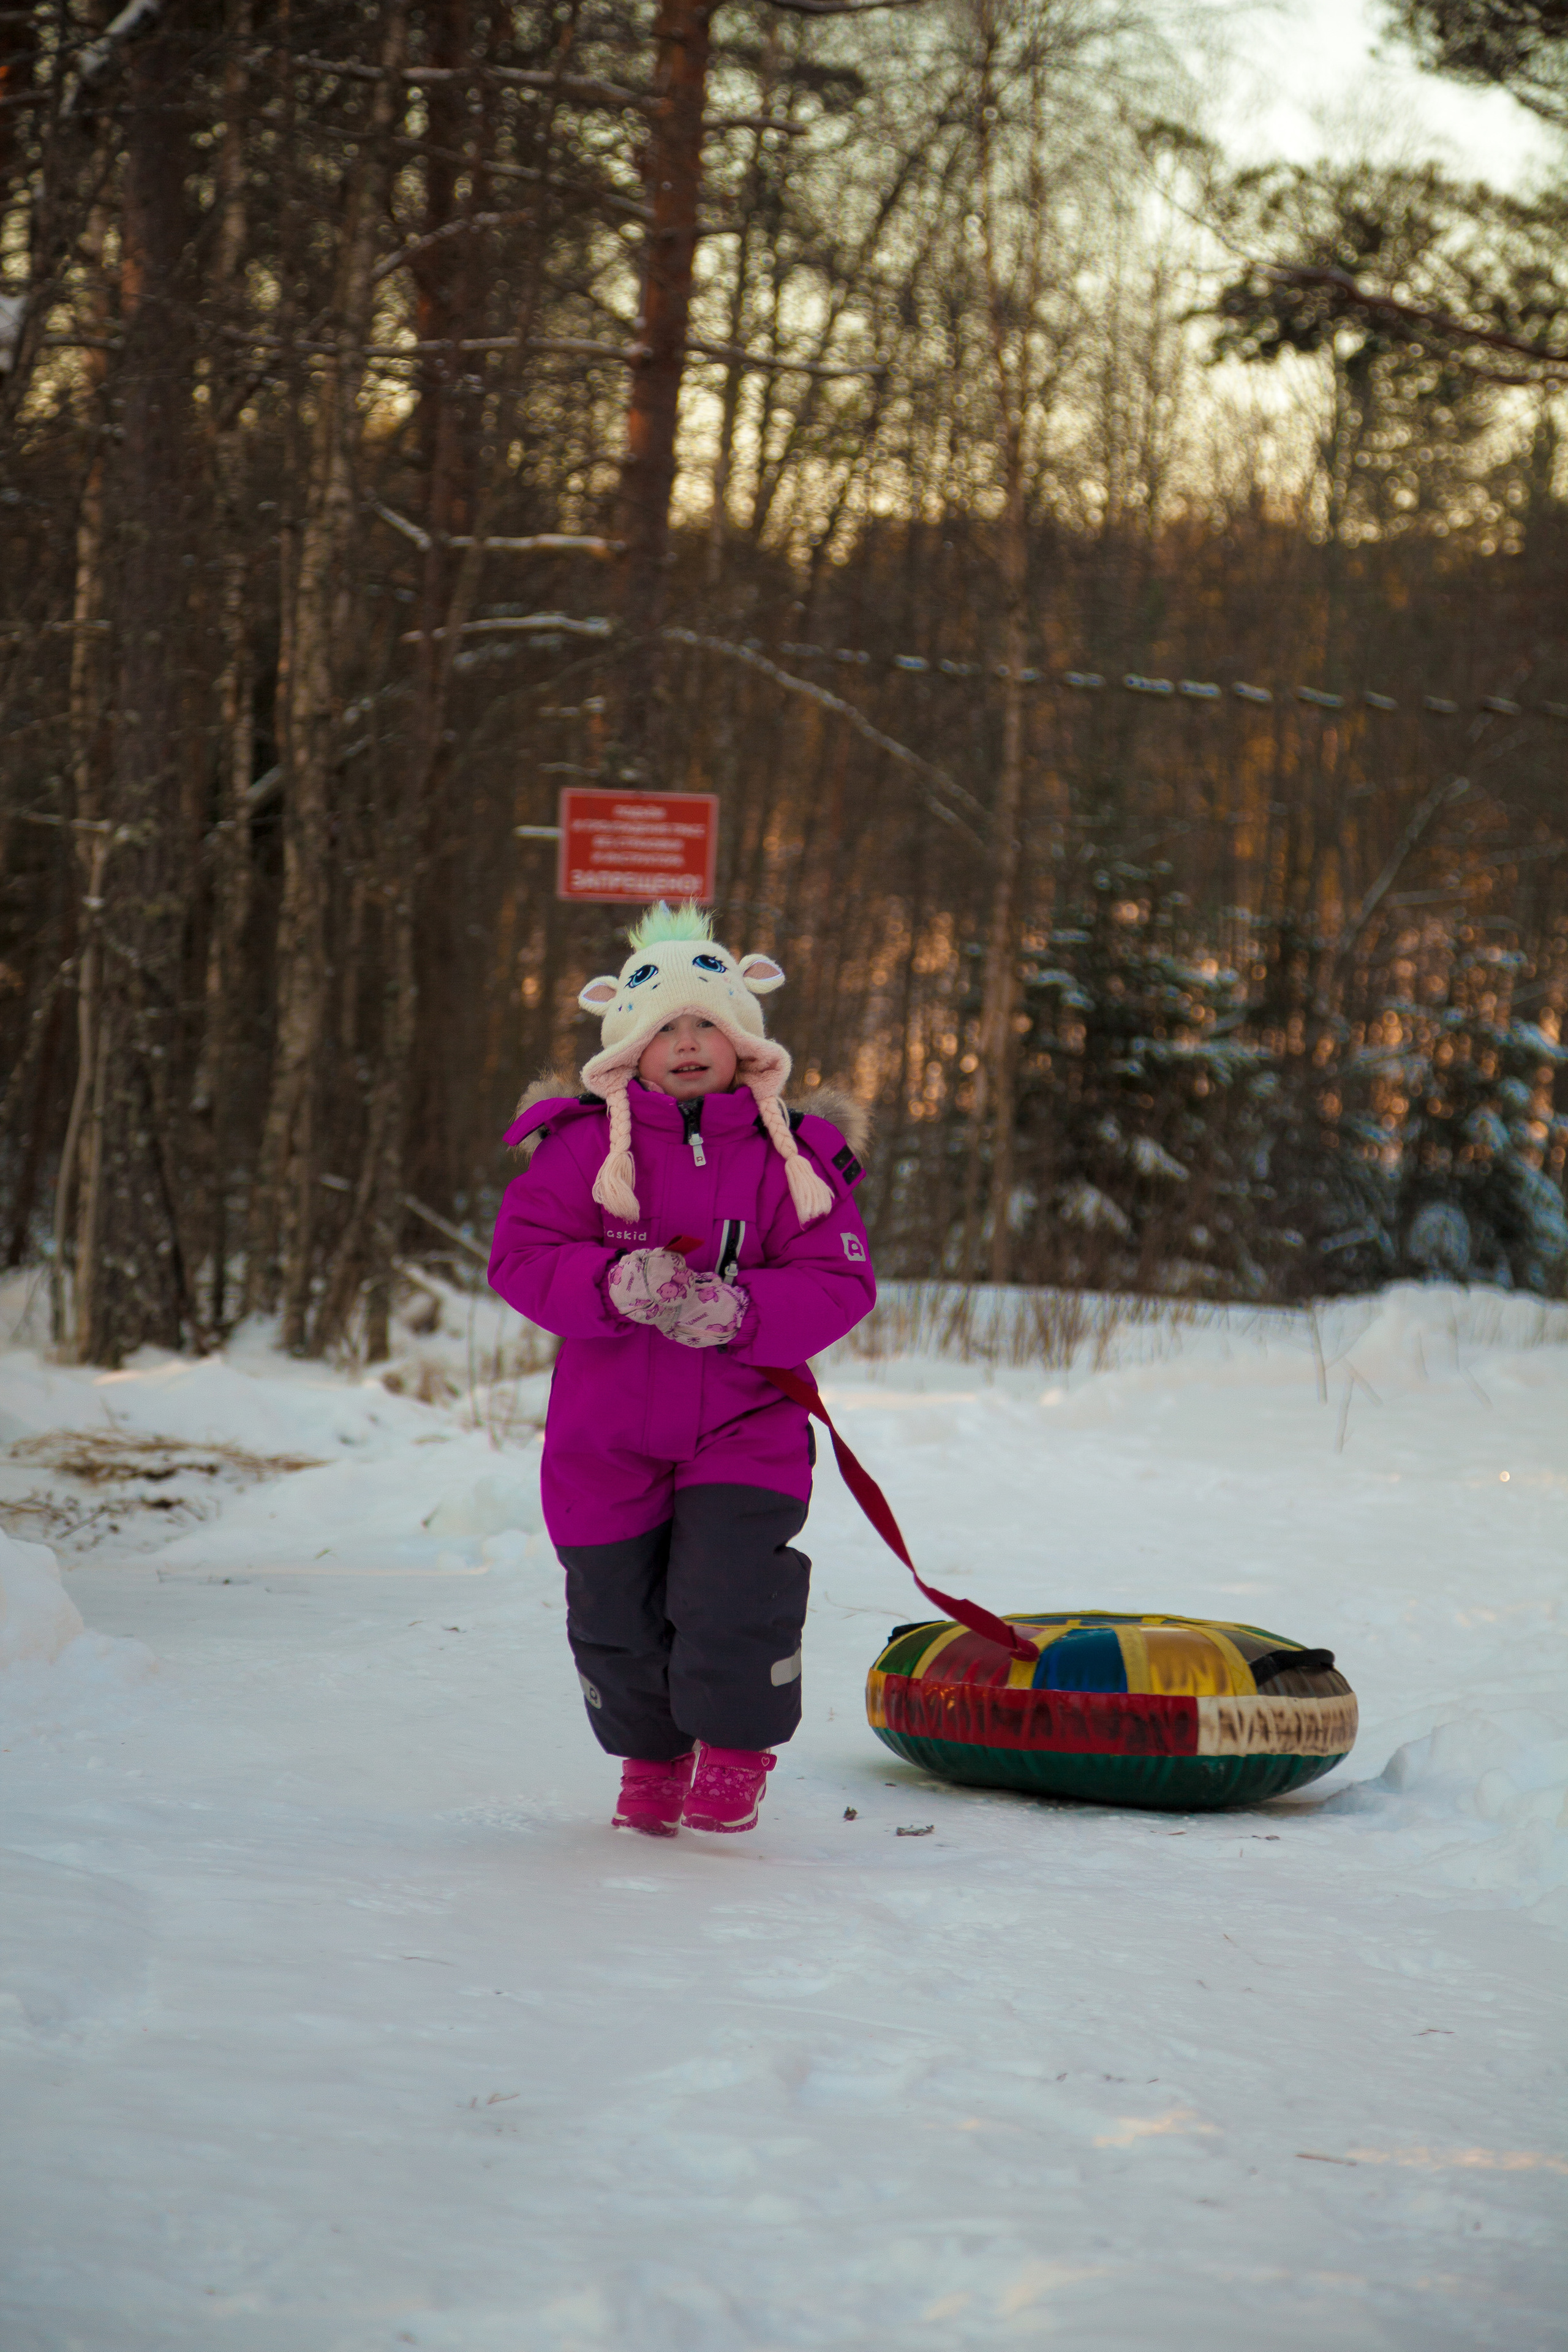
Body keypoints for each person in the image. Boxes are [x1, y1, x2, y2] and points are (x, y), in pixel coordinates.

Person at [488, 902, 875, 1837]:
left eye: (711, 1022)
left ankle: (737, 1754)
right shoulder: (580, 1147)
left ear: (747, 1039)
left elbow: (841, 1276)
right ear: (628, 1046)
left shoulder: (796, 1156)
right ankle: (650, 1762)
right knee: (614, 1604)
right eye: (668, 1028)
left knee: (730, 1593)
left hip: (745, 1424)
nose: (692, 1042)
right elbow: (522, 1255)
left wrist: (743, 1311)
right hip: (604, 1431)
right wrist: (609, 1281)